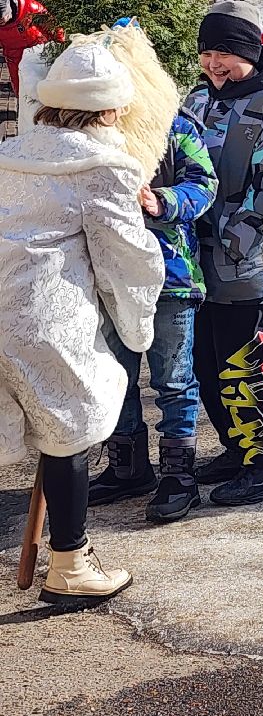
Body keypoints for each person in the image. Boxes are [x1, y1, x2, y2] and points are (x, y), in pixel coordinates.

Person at [0, 38, 166, 603]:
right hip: (48, 314)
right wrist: (136, 317)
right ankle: (70, 562)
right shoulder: (105, 166)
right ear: (110, 109)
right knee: (69, 426)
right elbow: (127, 253)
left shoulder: (13, 150)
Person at [187, 0, 263, 505]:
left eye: (226, 53)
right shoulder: (195, 101)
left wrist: (238, 242)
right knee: (205, 362)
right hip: (195, 258)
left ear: (251, 53)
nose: (215, 63)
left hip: (244, 258)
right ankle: (238, 449)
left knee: (246, 363)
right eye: (207, 52)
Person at [88, 104, 217, 523]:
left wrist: (162, 201)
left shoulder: (176, 128)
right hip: (110, 275)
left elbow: (204, 184)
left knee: (174, 378)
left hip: (171, 274)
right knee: (115, 375)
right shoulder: (90, 132)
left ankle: (179, 475)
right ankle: (128, 467)